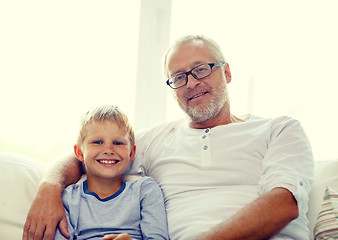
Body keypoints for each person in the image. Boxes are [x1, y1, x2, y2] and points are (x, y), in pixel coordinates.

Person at [23, 35, 314, 240]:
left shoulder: (280, 129)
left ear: (226, 72)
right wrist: (49, 188)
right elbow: (89, 155)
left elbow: (284, 203)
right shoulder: (153, 142)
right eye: (178, 77)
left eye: (201, 69)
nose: (191, 83)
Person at [53, 105, 169, 240]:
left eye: (118, 143)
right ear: (79, 152)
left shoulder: (145, 190)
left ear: (131, 153)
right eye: (97, 142)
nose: (108, 150)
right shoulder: (69, 198)